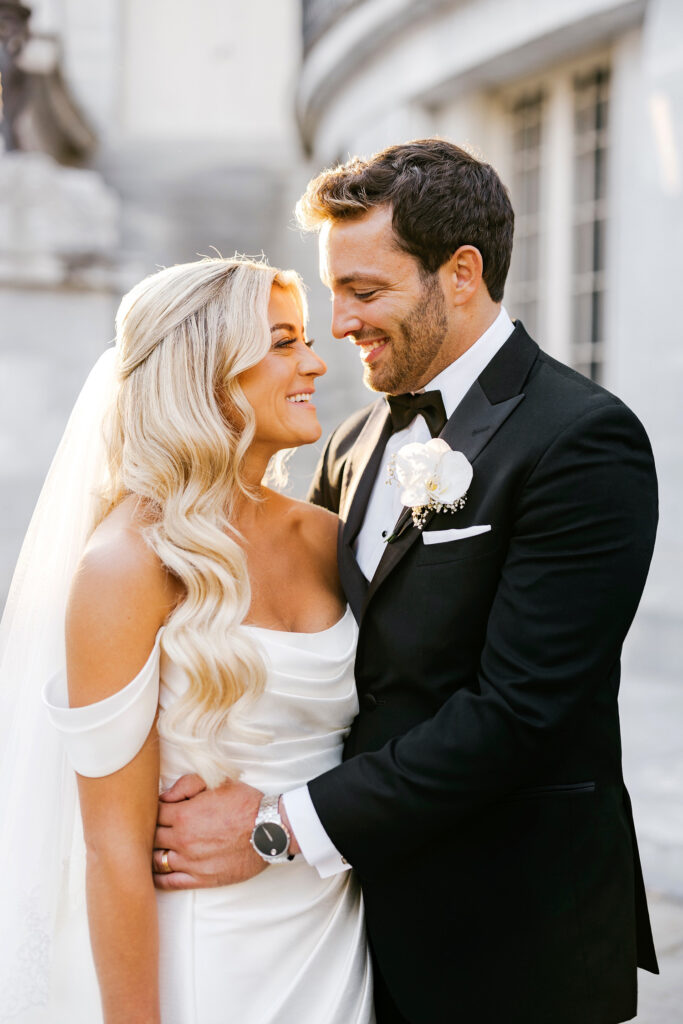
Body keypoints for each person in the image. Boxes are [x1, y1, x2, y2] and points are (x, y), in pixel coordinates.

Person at [154, 140, 660, 1024]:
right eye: (333, 293)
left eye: (365, 292)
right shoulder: (351, 443)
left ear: (459, 273)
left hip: (507, 937)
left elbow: (520, 712)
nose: (339, 325)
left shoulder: (582, 439)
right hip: (343, 927)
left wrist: (278, 827)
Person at [0, 257, 374, 1023]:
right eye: (281, 343)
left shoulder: (328, 537)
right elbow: (110, 851)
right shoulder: (125, 567)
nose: (314, 360)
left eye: (303, 339)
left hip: (336, 938)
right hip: (208, 960)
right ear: (204, 370)